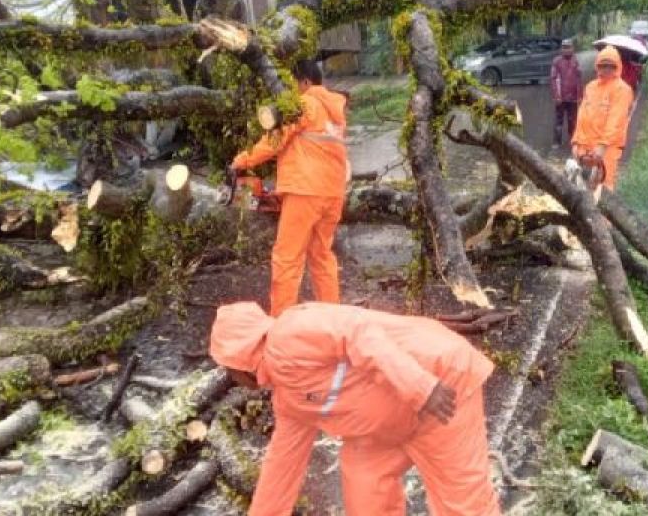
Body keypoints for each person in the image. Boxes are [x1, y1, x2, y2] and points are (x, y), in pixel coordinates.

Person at [209, 301, 502, 516]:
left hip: (441, 393)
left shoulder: (290, 333)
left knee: (464, 505)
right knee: (365, 489)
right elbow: (281, 467)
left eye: (227, 368)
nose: (229, 377)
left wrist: (421, 387)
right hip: (388, 428)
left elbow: (356, 331)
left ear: (239, 357)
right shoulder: (288, 400)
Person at [231, 59, 350, 316]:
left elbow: (274, 140)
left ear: (305, 81)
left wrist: (241, 161)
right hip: (333, 194)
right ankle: (333, 320)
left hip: (305, 191)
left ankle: (280, 323)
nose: (292, 91)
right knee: (322, 257)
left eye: (294, 84)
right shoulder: (335, 114)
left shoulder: (304, 103)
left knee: (287, 258)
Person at [571, 45, 633, 190]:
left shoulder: (622, 90)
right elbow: (582, 115)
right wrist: (575, 142)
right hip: (584, 147)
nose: (606, 69)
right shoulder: (590, 87)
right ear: (597, 66)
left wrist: (602, 146)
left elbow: (615, 121)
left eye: (610, 66)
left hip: (606, 150)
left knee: (603, 190)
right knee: (579, 190)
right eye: (603, 65)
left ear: (617, 67)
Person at [549, 38, 583, 147]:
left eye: (568, 47)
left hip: (573, 97)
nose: (566, 50)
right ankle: (556, 142)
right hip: (561, 97)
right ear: (561, 49)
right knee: (559, 120)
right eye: (564, 47)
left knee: (573, 120)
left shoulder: (575, 61)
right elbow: (554, 79)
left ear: (573, 48)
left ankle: (573, 140)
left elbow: (579, 80)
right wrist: (557, 95)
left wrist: (580, 95)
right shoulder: (557, 61)